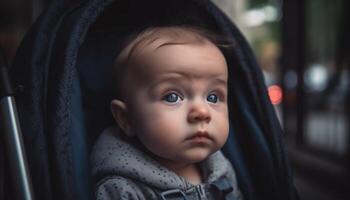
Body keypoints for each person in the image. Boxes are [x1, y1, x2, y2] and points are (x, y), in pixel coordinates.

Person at [91, 26, 243, 200]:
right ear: (126, 119)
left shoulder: (222, 172)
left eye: (213, 98)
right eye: (172, 97)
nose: (202, 112)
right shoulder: (122, 189)